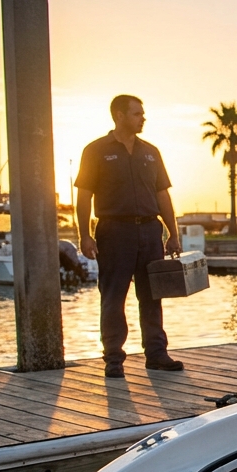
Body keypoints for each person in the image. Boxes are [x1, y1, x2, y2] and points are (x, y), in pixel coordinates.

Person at [76, 95, 183, 379]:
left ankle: (157, 354)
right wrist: (85, 235)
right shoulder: (96, 151)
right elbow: (84, 195)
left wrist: (173, 232)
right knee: (113, 296)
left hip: (150, 230)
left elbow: (163, 194)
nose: (143, 118)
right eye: (137, 114)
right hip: (114, 231)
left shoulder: (151, 152)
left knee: (152, 295)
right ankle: (113, 359)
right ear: (119, 116)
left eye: (143, 113)